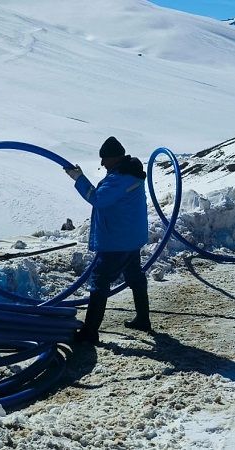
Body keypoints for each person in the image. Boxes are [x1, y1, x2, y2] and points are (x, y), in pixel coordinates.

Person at [65, 136, 151, 344]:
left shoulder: (120, 178)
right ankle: (143, 319)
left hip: (118, 241)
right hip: (130, 237)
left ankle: (89, 332)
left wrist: (79, 178)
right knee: (134, 276)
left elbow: (98, 199)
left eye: (104, 159)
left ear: (114, 158)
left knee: (100, 281)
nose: (102, 164)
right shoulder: (129, 174)